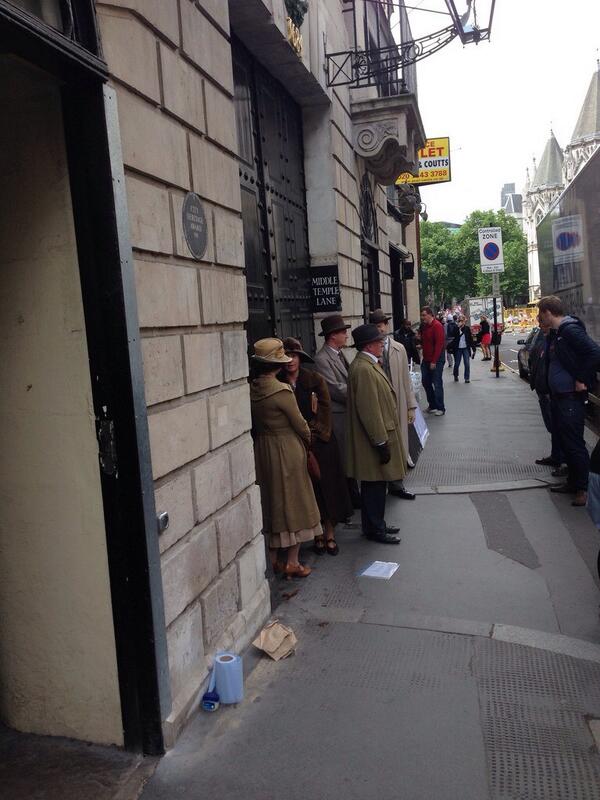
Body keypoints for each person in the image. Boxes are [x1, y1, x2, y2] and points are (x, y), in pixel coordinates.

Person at [249, 338, 322, 578]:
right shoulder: (281, 391)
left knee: (272, 501)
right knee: (295, 501)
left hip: (263, 448)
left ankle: (272, 560)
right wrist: (309, 439)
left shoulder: (252, 389)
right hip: (286, 448)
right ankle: (292, 561)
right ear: (277, 364)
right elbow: (300, 424)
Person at [280, 337, 353, 556]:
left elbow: (325, 410)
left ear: (300, 359)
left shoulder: (314, 379)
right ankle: (317, 534)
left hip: (321, 444)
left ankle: (329, 533)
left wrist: (314, 434)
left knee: (327, 488)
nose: (291, 361)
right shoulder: (280, 384)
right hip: (295, 445)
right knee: (308, 493)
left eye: (294, 356)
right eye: (286, 357)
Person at [346, 324, 406, 544]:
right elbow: (369, 410)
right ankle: (375, 529)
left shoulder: (367, 365)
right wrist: (380, 442)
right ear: (369, 345)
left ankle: (375, 524)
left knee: (376, 485)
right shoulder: (363, 368)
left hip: (376, 436)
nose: (382, 344)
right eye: (379, 341)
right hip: (374, 439)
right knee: (374, 486)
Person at [538, 295, 600, 507]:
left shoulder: (570, 330)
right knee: (566, 441)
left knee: (574, 444)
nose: (539, 318)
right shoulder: (558, 333)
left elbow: (594, 352)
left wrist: (582, 379)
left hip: (570, 399)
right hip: (560, 397)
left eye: (540, 314)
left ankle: (582, 489)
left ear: (548, 313)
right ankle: (573, 482)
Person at [313, 313, 361, 508]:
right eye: (343, 332)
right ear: (333, 335)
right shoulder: (322, 359)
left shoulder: (341, 354)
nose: (346, 336)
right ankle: (348, 500)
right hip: (337, 415)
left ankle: (353, 496)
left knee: (350, 456)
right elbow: (333, 387)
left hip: (347, 413)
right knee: (342, 459)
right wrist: (361, 393)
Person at [370, 309, 417, 499]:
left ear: (386, 326)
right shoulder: (371, 351)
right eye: (375, 327)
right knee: (385, 442)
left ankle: (398, 483)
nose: (378, 330)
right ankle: (387, 481)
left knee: (400, 442)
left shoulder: (399, 348)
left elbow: (406, 380)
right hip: (381, 404)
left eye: (380, 326)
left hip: (398, 401)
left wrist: (411, 405)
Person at [528, 317, 565, 472]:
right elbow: (535, 359)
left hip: (549, 391)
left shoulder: (557, 340)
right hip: (543, 389)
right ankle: (557, 456)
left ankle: (563, 461)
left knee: (557, 428)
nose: (539, 325)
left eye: (541, 322)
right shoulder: (544, 338)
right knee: (552, 427)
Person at [419, 306, 446, 415]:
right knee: (425, 381)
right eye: (422, 315)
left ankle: (440, 408)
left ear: (430, 314)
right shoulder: (425, 326)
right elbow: (426, 342)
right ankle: (432, 405)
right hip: (426, 359)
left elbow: (439, 345)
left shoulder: (437, 326)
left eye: (424, 315)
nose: (422, 317)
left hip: (436, 359)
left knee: (437, 382)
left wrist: (434, 361)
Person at [448, 314, 476, 382]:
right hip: (458, 348)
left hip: (465, 348)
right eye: (459, 320)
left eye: (462, 320)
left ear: (464, 321)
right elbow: (452, 334)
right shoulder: (456, 327)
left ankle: (467, 378)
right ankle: (455, 375)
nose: (461, 322)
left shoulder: (467, 328)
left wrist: (473, 349)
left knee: (467, 363)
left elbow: (470, 339)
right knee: (457, 363)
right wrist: (458, 327)